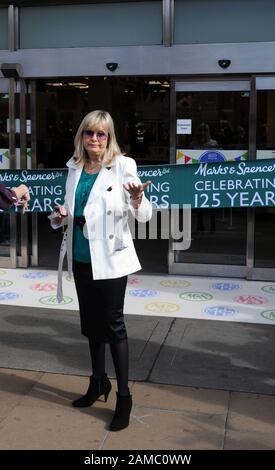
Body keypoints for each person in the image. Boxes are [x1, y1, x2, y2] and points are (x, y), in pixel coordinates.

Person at [50, 110, 152, 431]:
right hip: (81, 254)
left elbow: (145, 215)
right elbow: (72, 212)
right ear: (81, 136)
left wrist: (137, 199)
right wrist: (62, 214)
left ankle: (124, 397)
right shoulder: (74, 166)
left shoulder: (123, 166)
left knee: (113, 326)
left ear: (110, 137)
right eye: (89, 133)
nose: (95, 139)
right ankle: (97, 383)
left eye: (101, 134)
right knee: (91, 325)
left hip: (109, 258)